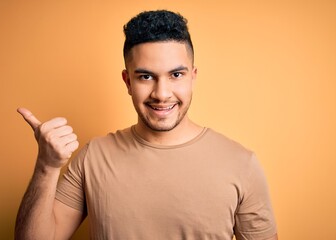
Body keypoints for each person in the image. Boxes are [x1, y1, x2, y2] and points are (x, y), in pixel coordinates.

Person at [15, 10, 278, 240]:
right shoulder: (92, 157)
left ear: (192, 78)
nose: (162, 93)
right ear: (128, 81)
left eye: (176, 75)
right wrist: (46, 166)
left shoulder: (241, 164)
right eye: (145, 76)